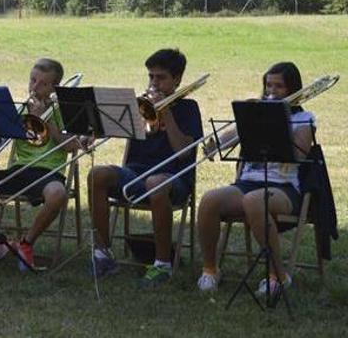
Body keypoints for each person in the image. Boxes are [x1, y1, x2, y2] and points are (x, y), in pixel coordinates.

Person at [0, 58, 87, 270]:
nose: (35, 87)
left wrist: (46, 120)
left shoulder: (62, 112)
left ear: (54, 88)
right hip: (18, 171)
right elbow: (3, 138)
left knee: (57, 194)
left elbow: (72, 147)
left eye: (42, 83)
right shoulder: (20, 111)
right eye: (32, 80)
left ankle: (26, 244)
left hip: (47, 172)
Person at [87, 48, 202, 287]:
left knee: (155, 183)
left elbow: (185, 153)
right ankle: (103, 253)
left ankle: (162, 264)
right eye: (151, 76)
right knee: (97, 175)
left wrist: (166, 112)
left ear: (177, 79)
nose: (154, 82)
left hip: (174, 177)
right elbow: (117, 132)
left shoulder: (189, 108)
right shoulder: (140, 106)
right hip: (137, 172)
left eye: (161, 77)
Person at [196, 62, 313, 295]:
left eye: (279, 86)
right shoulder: (255, 113)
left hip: (284, 187)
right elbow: (220, 144)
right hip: (248, 182)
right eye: (269, 85)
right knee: (209, 200)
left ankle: (278, 276)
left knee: (253, 200)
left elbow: (299, 155)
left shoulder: (304, 118)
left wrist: (276, 122)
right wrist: (213, 145)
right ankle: (210, 270)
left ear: (293, 89)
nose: (272, 90)